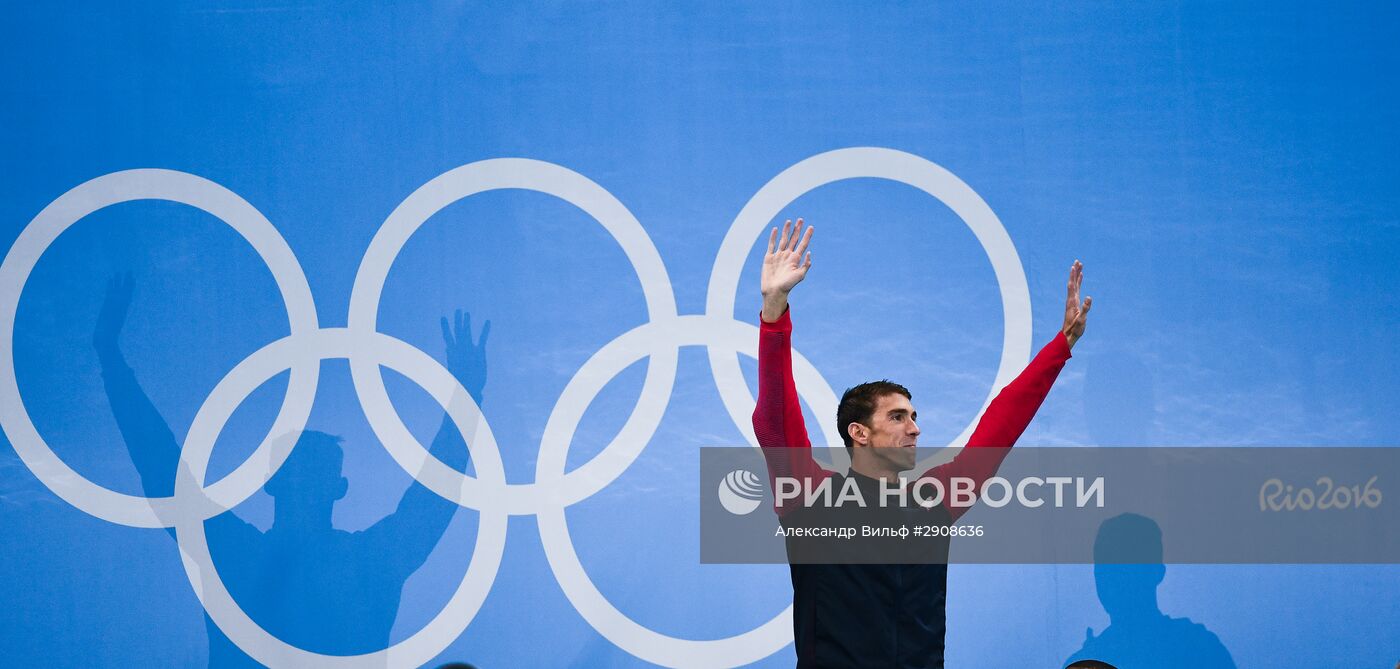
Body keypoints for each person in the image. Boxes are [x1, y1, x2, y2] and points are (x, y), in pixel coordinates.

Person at [94, 274, 489, 666]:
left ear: (271, 483)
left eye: (309, 471)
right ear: (340, 487)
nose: (305, 482)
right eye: (304, 470)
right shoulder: (369, 562)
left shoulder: (236, 554)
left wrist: (110, 359)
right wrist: (468, 396)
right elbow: (433, 498)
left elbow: (160, 464)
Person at [752, 219, 1090, 668]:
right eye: (897, 417)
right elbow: (775, 419)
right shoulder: (808, 495)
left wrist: (1060, 347)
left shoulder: (935, 501)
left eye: (915, 417)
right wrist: (774, 314)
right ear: (859, 432)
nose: (915, 429)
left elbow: (1001, 425)